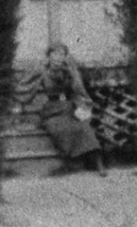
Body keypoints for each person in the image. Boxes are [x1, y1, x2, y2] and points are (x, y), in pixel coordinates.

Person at [39, 42, 106, 176]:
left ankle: (99, 164)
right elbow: (28, 86)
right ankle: (72, 161)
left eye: (61, 54)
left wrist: (82, 104)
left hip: (69, 108)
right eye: (55, 54)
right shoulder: (43, 72)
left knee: (84, 128)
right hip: (53, 111)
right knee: (61, 128)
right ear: (49, 56)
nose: (58, 57)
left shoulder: (70, 71)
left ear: (65, 57)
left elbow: (78, 90)